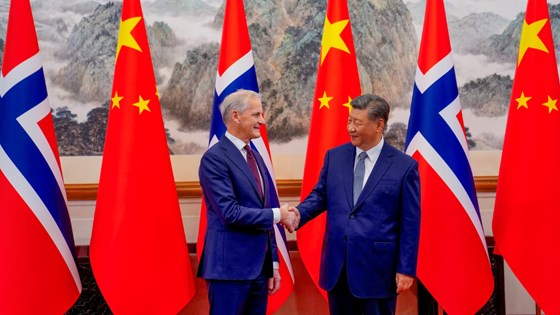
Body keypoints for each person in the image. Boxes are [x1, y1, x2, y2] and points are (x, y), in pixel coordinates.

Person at [290, 94, 421, 315]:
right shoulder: (335, 157)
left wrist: (406, 269)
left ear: (379, 125)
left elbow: (410, 222)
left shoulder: (404, 167)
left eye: (357, 123)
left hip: (378, 271)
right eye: (349, 120)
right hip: (338, 268)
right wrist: (298, 214)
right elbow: (320, 196)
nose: (350, 127)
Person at [197, 89, 297, 315]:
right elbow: (229, 212)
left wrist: (272, 264)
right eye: (256, 115)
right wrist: (279, 215)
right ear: (235, 116)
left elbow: (264, 210)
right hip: (229, 270)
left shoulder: (255, 156)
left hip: (260, 270)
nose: (262, 121)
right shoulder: (215, 159)